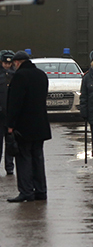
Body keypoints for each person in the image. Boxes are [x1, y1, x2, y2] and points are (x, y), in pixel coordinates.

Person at [6, 51, 51, 202]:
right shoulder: (41, 75)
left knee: (24, 158)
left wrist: (10, 125)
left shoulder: (19, 76)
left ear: (17, 63)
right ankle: (41, 191)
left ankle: (26, 192)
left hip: (24, 126)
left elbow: (15, 103)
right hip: (41, 124)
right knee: (38, 157)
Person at [0, 50, 15, 175]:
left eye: (9, 63)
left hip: (10, 114)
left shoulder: (15, 75)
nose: (7, 65)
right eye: (5, 63)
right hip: (0, 115)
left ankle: (9, 167)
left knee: (10, 143)